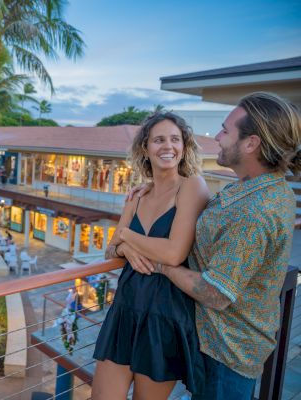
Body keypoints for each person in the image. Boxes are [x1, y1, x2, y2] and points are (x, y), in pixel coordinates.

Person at [125, 92, 300, 400]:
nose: (217, 137)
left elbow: (215, 293)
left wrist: (163, 265)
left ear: (251, 144)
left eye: (225, 130)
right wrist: (155, 187)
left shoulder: (255, 211)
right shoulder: (257, 189)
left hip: (227, 355)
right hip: (217, 344)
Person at [92, 112, 210, 399]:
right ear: (145, 148)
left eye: (175, 139)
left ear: (184, 146)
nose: (167, 146)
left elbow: (173, 253)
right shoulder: (138, 196)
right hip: (125, 309)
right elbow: (111, 249)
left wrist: (126, 236)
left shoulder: (192, 186)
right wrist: (125, 247)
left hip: (164, 316)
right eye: (158, 140)